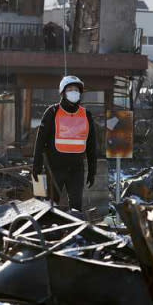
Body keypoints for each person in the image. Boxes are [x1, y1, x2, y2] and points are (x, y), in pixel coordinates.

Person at [33, 75, 97, 211]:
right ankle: (50, 232)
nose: (74, 92)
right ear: (62, 92)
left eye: (77, 89)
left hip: (76, 170)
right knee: (50, 207)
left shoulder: (86, 115)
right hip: (54, 169)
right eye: (70, 89)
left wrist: (92, 170)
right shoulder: (52, 112)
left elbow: (91, 145)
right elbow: (40, 142)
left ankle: (75, 232)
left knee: (76, 208)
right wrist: (36, 167)